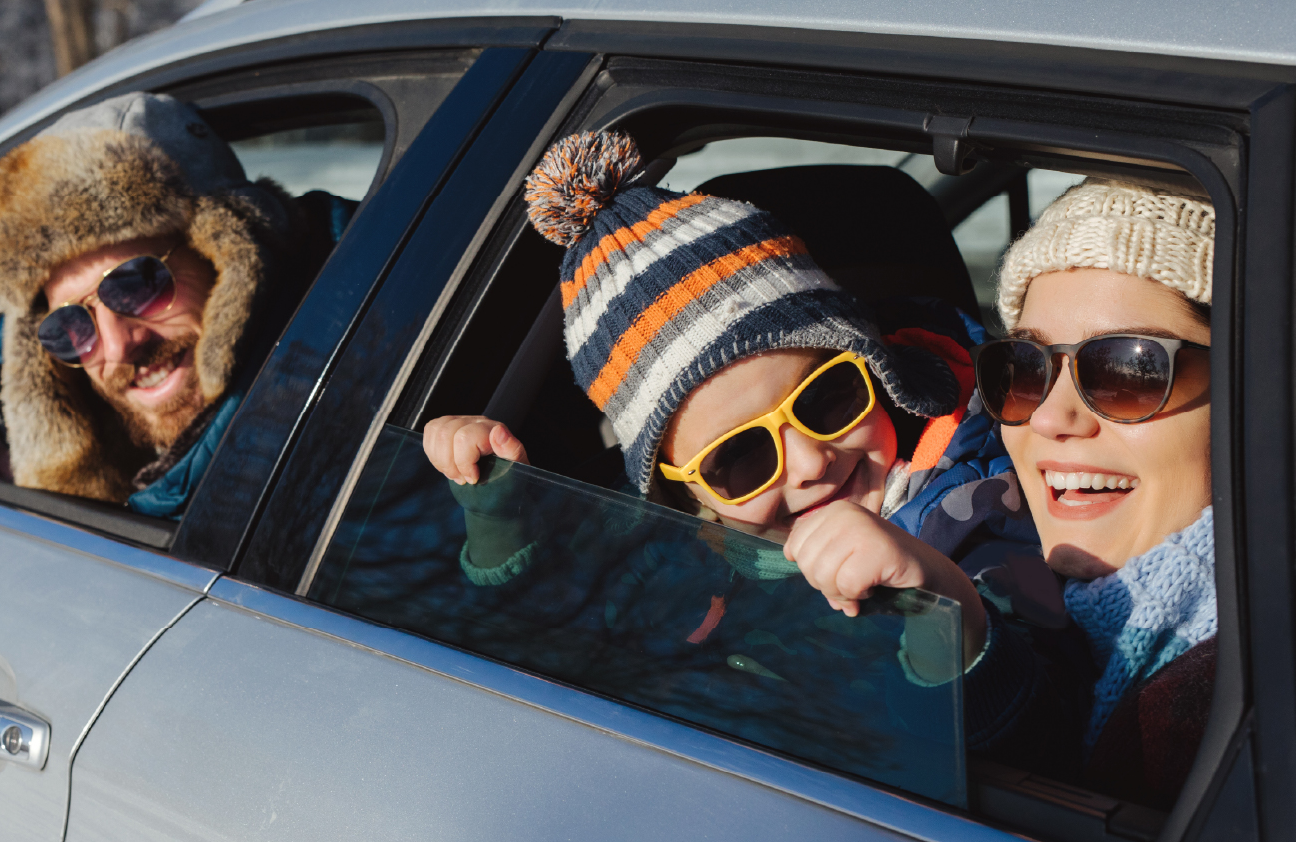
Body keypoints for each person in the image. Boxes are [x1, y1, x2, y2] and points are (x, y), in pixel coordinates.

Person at [425, 130, 995, 673]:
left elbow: (1032, 723)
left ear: (874, 366)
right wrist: (495, 516)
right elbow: (537, 639)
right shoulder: (657, 552)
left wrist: (941, 600)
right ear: (678, 485)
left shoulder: (980, 494)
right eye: (739, 457)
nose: (811, 462)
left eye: (828, 399)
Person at [0, 92, 355, 557]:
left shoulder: (371, 339)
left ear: (227, 254)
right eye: (71, 324)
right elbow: (10, 345)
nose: (117, 347)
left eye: (136, 284)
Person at [962, 178, 1216, 806]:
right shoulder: (999, 581)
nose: (1049, 417)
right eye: (1023, 368)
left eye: (1129, 368)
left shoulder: (1200, 713)